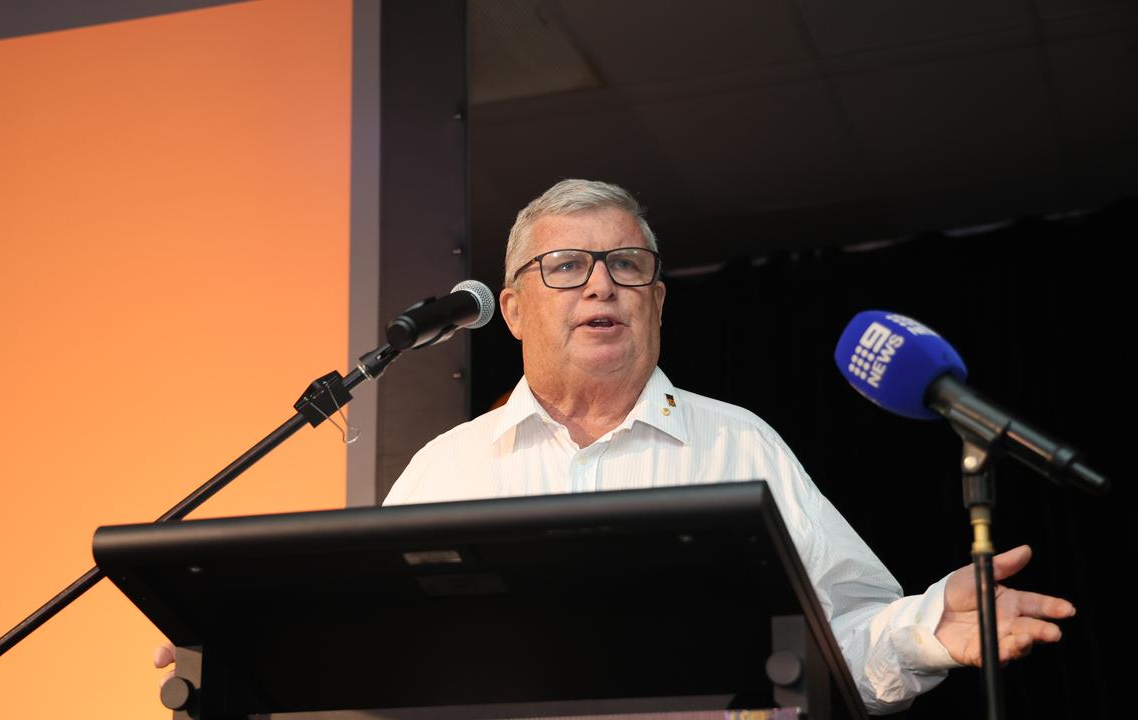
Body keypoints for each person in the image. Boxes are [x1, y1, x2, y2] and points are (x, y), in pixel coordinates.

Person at [156, 179, 1074, 715]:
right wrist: (253, 652)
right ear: (512, 309)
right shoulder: (448, 470)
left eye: (626, 265)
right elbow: (378, 655)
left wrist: (923, 630)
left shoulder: (738, 444)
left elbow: (842, 641)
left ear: (658, 302)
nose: (601, 283)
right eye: (566, 266)